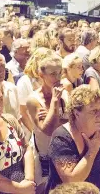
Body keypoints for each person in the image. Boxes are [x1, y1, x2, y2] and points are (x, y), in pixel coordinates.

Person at [45, 85, 100, 194]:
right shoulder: (61, 138)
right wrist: (92, 151)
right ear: (76, 113)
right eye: (93, 110)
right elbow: (71, 182)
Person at [26, 54, 69, 191]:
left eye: (59, 72)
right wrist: (55, 102)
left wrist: (54, 117)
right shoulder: (33, 100)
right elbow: (48, 130)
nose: (57, 78)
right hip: (44, 153)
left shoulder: (65, 93)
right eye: (52, 74)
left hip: (64, 151)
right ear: (41, 75)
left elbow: (73, 121)